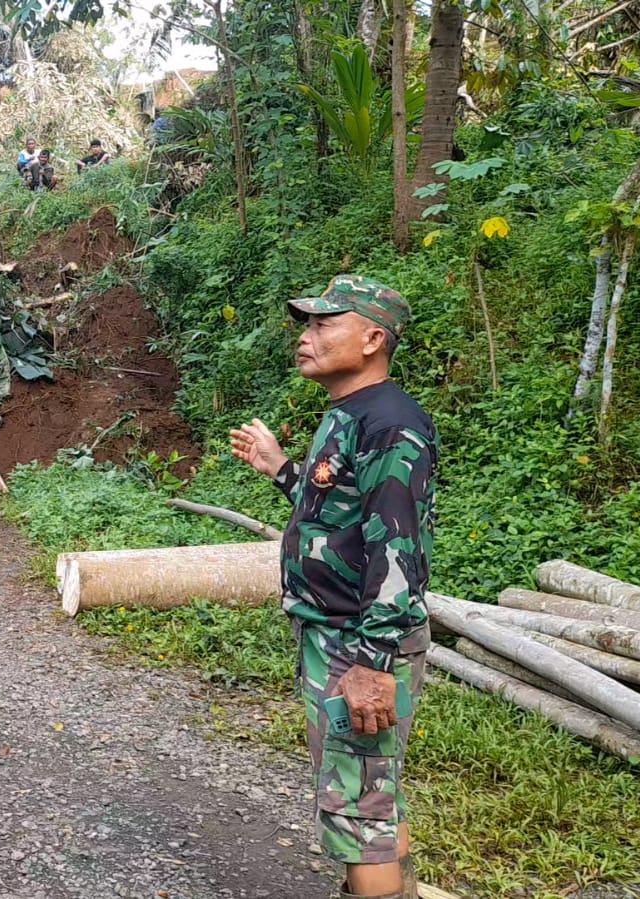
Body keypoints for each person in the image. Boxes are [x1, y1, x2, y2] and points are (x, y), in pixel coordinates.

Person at [229, 275, 436, 899]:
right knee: (366, 791)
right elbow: (340, 524)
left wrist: (372, 667)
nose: (306, 336)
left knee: (358, 807)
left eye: (324, 324)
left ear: (373, 338)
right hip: (336, 637)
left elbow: (399, 552)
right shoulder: (350, 415)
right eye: (307, 324)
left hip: (360, 644)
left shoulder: (391, 424)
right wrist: (283, 471)